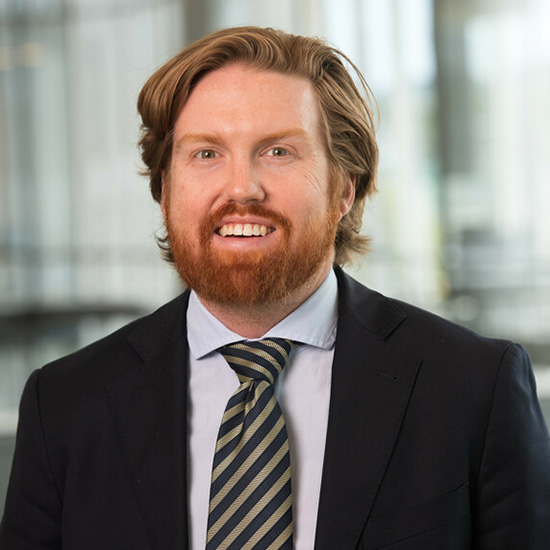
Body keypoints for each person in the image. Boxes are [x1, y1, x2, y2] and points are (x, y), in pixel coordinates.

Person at [1, 26, 549, 550]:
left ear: (344, 188)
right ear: (165, 190)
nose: (242, 188)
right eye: (206, 153)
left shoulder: (475, 388)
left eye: (278, 151)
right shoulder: (65, 405)